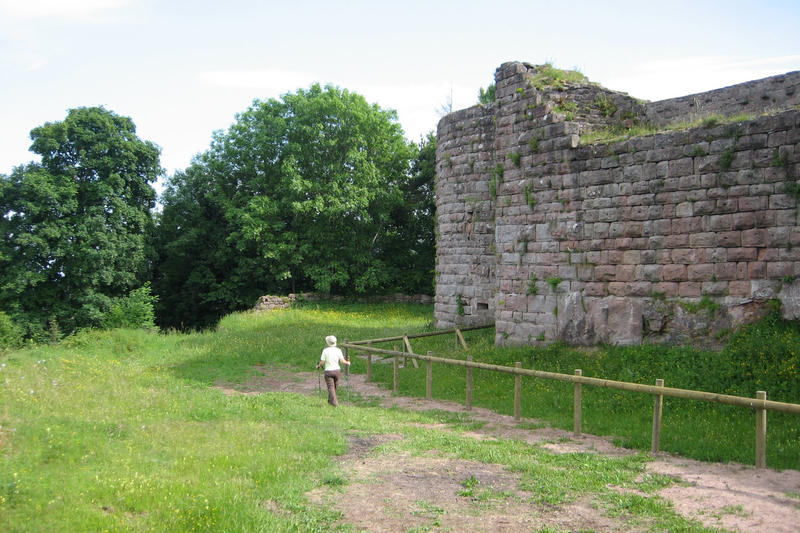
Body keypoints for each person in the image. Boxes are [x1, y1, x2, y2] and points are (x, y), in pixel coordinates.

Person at [316, 335, 350, 406]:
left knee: (331, 388)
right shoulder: (338, 350)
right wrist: (347, 362)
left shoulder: (325, 351)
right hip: (337, 371)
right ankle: (330, 401)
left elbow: (322, 362)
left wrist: (318, 366)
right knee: (335, 387)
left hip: (328, 371)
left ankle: (334, 403)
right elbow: (342, 361)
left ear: (328, 342)